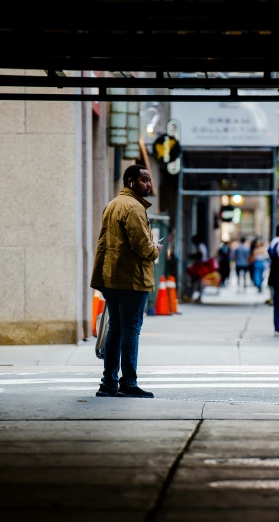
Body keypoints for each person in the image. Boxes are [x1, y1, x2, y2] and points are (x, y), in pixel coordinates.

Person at [90, 164, 163, 399]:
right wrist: (156, 249)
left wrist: (100, 277)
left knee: (115, 329)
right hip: (132, 279)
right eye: (144, 180)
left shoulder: (112, 205)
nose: (148, 184)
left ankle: (108, 384)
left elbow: (102, 244)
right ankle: (128, 383)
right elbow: (142, 246)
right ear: (130, 181)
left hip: (111, 279)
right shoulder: (133, 208)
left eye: (149, 180)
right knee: (130, 330)